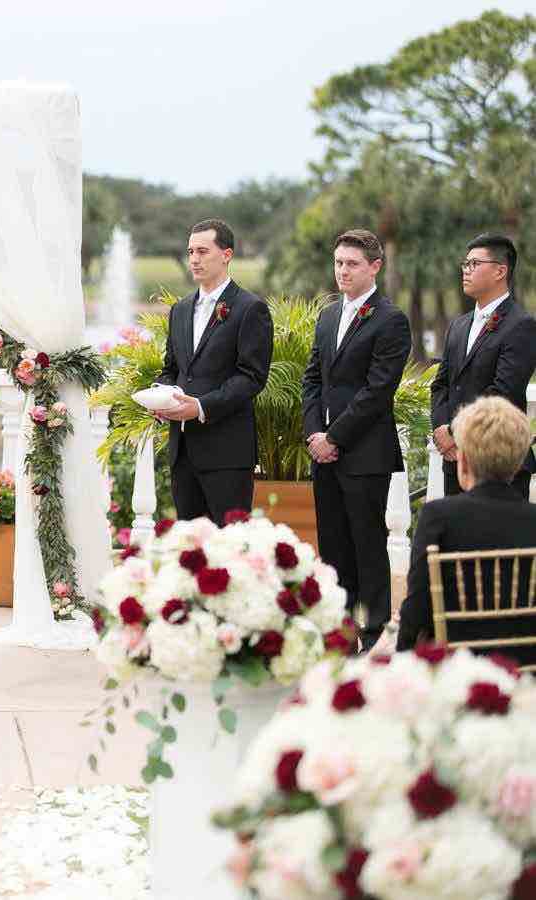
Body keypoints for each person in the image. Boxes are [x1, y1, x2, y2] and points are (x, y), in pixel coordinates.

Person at [301, 229, 410, 653]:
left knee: (367, 543)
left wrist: (335, 437)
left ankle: (376, 628)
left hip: (364, 453)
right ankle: (340, 629)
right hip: (323, 451)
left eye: (352, 264)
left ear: (375, 267)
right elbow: (312, 379)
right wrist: (314, 434)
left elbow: (378, 392)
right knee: (333, 544)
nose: (342, 271)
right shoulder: (329, 316)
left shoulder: (390, 319)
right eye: (339, 263)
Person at [394, 397, 536, 666]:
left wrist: (402, 665)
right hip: (527, 673)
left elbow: (417, 612)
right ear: (518, 464)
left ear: (464, 461)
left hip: (456, 671)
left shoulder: (437, 518)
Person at [157, 219, 273, 523]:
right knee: (190, 551)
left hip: (227, 454)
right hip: (182, 452)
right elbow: (171, 369)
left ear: (227, 255)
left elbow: (252, 377)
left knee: (230, 549)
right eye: (191, 251)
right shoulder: (180, 310)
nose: (194, 259)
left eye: (203, 251)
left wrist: (201, 407)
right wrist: (162, 396)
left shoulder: (250, 309)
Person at [430, 233, 536, 499]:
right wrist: (442, 430)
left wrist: (456, 431)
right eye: (465, 265)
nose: (466, 271)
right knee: (455, 541)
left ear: (501, 270)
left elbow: (504, 391)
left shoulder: (521, 325)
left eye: (474, 264)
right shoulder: (458, 325)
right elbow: (441, 384)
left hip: (499, 463)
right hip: (454, 460)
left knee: (498, 541)